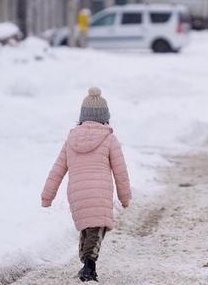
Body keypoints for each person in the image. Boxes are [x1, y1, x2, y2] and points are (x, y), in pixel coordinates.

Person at [41, 87, 132, 282]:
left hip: (77, 194)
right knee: (97, 229)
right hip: (99, 194)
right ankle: (89, 265)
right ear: (105, 117)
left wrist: (47, 197)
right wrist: (125, 198)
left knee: (86, 228)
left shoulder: (71, 139)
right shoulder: (109, 138)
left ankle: (87, 265)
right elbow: (120, 172)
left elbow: (57, 170)